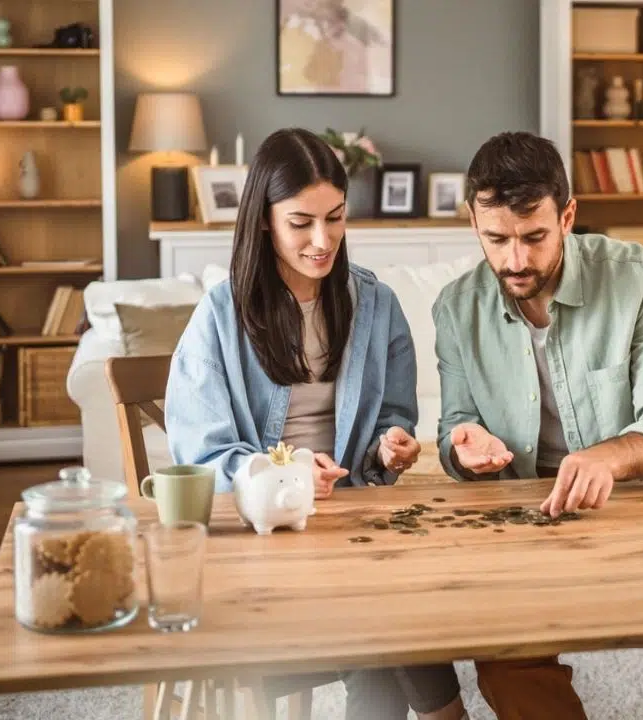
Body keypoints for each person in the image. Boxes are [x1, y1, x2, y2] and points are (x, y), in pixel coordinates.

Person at [431, 130, 643, 719]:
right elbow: (456, 423)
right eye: (497, 239)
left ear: (568, 215)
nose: (515, 260)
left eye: (535, 237)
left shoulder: (642, 277)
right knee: (506, 659)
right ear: (473, 223)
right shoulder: (454, 308)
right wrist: (463, 445)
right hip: (526, 511)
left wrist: (608, 457)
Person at [165, 127, 466, 720]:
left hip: (351, 519)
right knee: (383, 612)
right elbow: (204, 457)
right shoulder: (220, 317)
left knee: (390, 599)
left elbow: (392, 420)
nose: (322, 240)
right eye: (301, 222)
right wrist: (291, 476)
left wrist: (390, 449)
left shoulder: (375, 306)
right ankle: (447, 714)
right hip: (262, 536)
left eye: (335, 218)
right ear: (263, 221)